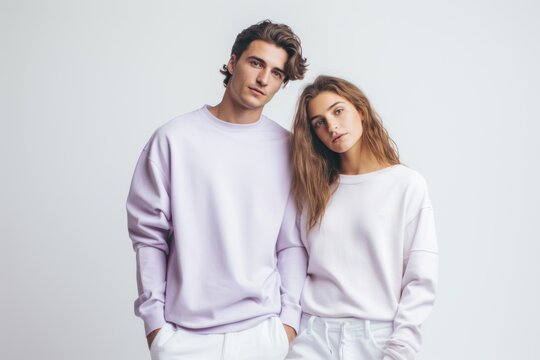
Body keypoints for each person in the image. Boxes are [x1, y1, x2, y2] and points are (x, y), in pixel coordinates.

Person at [126, 20, 308, 360]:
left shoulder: (288, 149)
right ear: (232, 62)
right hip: (183, 338)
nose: (263, 79)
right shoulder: (174, 139)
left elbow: (292, 243)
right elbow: (149, 237)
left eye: (276, 73)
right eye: (256, 63)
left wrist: (288, 325)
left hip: (262, 334)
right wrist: (156, 329)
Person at [286, 75, 438, 360]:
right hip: (314, 335)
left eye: (338, 110)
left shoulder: (405, 185)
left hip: (376, 339)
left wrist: (400, 350)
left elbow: (420, 279)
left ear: (361, 111)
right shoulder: (313, 190)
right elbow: (294, 264)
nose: (332, 126)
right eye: (319, 122)